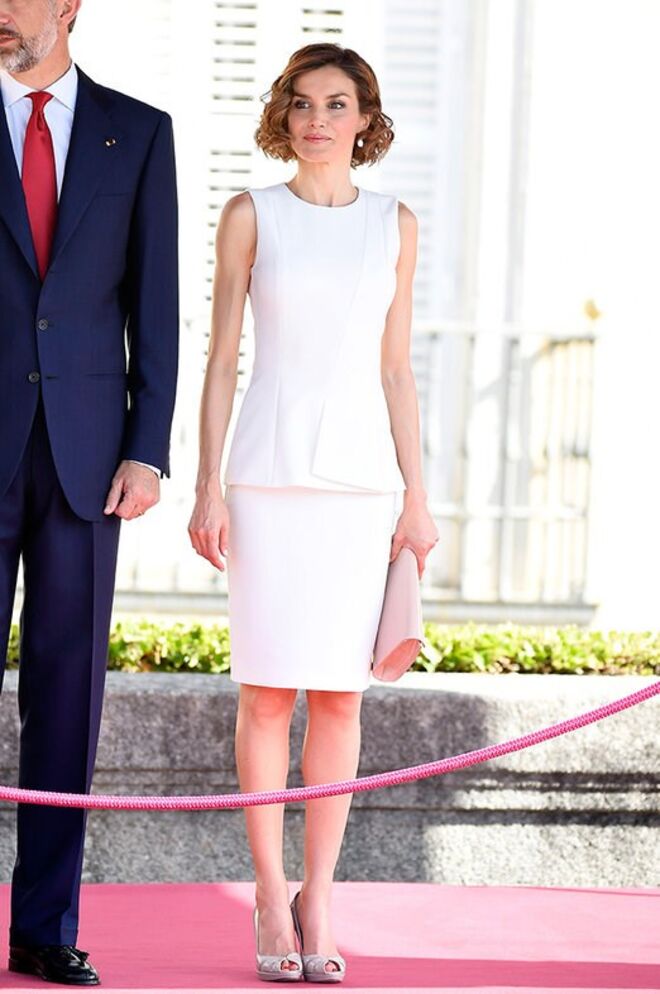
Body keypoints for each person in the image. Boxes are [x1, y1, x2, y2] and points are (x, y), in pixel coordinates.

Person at [189, 42, 438, 984]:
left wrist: (418, 496)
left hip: (361, 486)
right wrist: (208, 481)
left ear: (367, 119)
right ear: (283, 117)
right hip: (263, 480)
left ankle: (320, 896)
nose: (317, 120)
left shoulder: (395, 225)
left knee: (340, 696)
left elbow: (395, 370)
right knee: (263, 694)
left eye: (337, 104)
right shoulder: (252, 215)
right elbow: (220, 361)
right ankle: (267, 890)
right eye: (300, 104)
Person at [0, 0, 179, 985]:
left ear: (68, 4)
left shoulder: (139, 131)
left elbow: (154, 302)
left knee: (68, 698)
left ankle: (43, 926)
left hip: (85, 460)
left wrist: (147, 448)